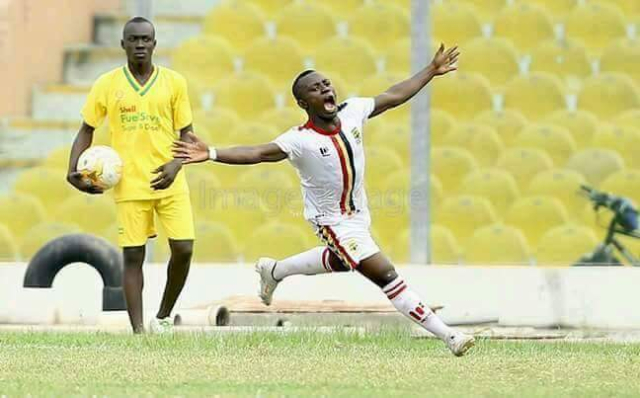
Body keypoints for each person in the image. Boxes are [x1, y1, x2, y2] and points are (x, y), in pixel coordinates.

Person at [173, 44, 474, 355]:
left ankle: (274, 270)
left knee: (343, 261)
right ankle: (449, 336)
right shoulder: (299, 139)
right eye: (315, 89)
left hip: (359, 215)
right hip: (332, 222)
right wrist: (210, 153)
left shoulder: (354, 110)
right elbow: (258, 153)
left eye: (326, 84)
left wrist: (430, 70)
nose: (325, 90)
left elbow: (393, 95)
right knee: (386, 275)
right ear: (304, 103)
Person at [67, 17, 195, 334]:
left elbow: (188, 134)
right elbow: (87, 129)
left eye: (146, 39)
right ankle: (138, 332)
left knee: (184, 249)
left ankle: (163, 317)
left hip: (170, 180)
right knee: (134, 255)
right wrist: (72, 171)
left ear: (154, 44)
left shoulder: (174, 82)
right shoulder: (107, 84)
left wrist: (176, 164)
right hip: (129, 183)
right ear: (123, 44)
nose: (140, 45)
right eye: (134, 39)